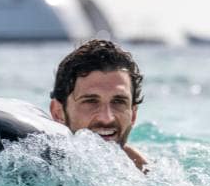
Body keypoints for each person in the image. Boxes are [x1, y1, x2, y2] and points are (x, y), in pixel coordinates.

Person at [50, 39, 149, 172]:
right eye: (91, 101)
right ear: (58, 113)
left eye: (118, 102)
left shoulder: (150, 175)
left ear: (133, 115)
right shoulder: (32, 163)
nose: (107, 118)